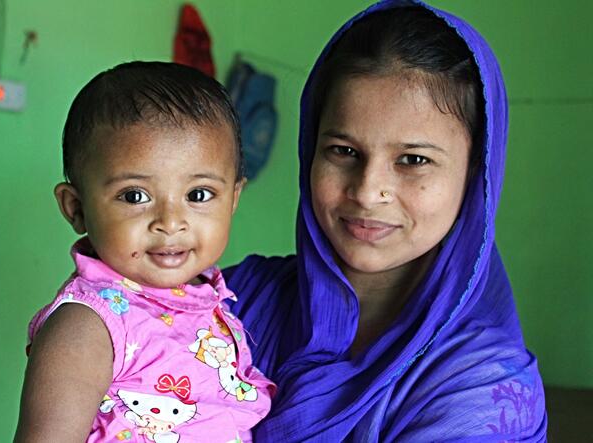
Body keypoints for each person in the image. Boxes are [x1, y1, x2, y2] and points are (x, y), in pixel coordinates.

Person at [224, 1, 547, 441]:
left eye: (413, 160)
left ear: (475, 173)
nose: (366, 190)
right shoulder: (230, 302)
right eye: (343, 151)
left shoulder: (484, 389)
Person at [15, 61, 274, 443]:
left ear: (232, 199)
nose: (170, 222)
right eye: (135, 196)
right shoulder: (89, 325)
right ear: (77, 208)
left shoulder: (211, 298)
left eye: (198, 195)